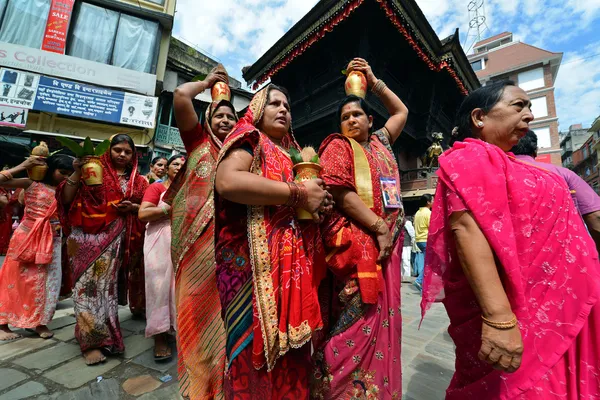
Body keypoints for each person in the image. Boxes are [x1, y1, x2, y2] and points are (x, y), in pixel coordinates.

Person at [421, 80, 600, 399]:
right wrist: (499, 318)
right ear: (479, 118)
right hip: (518, 317)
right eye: (519, 106)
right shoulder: (468, 158)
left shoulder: (518, 167)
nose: (529, 115)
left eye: (530, 107)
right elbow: (468, 230)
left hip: (566, 307)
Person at [215, 83, 332, 399]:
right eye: (274, 103)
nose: (283, 109)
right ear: (256, 110)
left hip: (291, 272)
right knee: (251, 356)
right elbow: (227, 181)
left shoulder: (294, 159)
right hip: (250, 273)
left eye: (287, 106)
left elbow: (294, 212)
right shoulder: (251, 141)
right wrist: (298, 194)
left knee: (293, 359)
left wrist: (316, 205)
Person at [312, 57, 408, 399]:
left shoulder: (382, 142)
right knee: (355, 322)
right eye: (344, 117)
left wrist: (374, 79)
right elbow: (340, 191)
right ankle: (337, 390)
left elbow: (402, 113)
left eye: (357, 115)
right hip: (360, 249)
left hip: (389, 248)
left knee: (385, 325)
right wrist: (379, 226)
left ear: (370, 120)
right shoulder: (338, 146)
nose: (351, 120)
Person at [167, 66, 238, 400]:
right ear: (208, 119)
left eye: (230, 117)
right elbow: (181, 95)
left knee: (226, 325)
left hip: (229, 253)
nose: (225, 121)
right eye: (219, 115)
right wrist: (209, 83)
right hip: (194, 253)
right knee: (195, 320)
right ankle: (197, 389)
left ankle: (222, 389)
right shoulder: (195, 141)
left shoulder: (241, 156)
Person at [58, 134, 148, 365]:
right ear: (109, 151)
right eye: (118, 150)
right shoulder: (92, 168)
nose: (122, 155)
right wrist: (78, 170)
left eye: (127, 152)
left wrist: (133, 207)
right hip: (84, 239)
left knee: (104, 290)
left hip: (114, 238)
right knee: (84, 289)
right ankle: (91, 343)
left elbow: (146, 207)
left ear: (133, 156)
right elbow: (66, 198)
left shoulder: (138, 181)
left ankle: (105, 335)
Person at [0, 155, 74, 341]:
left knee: (49, 282)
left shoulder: (64, 190)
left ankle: (39, 323)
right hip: (27, 236)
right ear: (50, 169)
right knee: (16, 278)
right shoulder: (30, 183)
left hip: (53, 238)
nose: (65, 177)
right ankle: (3, 323)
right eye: (62, 173)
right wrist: (23, 165)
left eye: (69, 174)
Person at [511, 130, 600, 253]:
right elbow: (595, 218)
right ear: (536, 150)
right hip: (565, 257)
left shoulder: (493, 175)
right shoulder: (562, 174)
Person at [139, 154, 185, 361]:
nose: (180, 167)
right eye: (175, 164)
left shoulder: (192, 189)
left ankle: (179, 331)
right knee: (158, 287)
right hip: (160, 241)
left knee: (179, 288)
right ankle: (159, 335)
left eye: (184, 164)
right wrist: (170, 207)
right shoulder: (157, 188)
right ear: (167, 168)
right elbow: (143, 214)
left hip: (183, 241)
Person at [413, 193, 432, 291]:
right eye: (432, 200)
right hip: (426, 240)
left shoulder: (417, 213)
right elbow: (432, 227)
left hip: (419, 240)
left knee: (427, 262)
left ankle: (424, 285)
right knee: (430, 263)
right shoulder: (428, 213)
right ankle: (419, 280)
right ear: (428, 202)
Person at [402, 216, 415, 281]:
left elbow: (412, 233)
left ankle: (406, 277)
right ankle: (401, 276)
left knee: (406, 260)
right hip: (401, 244)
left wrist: (413, 242)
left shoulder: (407, 222)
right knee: (402, 261)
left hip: (406, 244)